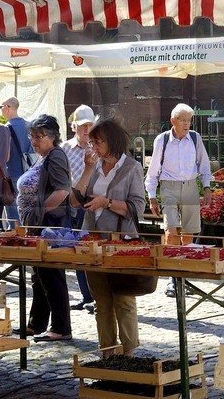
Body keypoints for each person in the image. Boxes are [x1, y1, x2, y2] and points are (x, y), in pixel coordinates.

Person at [73, 117, 149, 356]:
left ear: (112, 141)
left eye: (97, 142)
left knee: (123, 299)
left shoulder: (131, 167)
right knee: (101, 301)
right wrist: (86, 169)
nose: (93, 147)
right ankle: (107, 352)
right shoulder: (93, 165)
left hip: (122, 242)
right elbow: (76, 200)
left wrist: (106, 202)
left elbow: (138, 207)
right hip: (94, 241)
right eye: (92, 142)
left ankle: (129, 354)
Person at [17, 114, 74, 341]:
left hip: (50, 226)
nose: (34, 140)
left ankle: (61, 328)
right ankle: (37, 322)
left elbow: (62, 191)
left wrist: (40, 212)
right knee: (39, 276)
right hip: (38, 225)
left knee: (52, 276)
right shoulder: (43, 157)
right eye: (32, 136)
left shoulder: (56, 156)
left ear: (52, 137)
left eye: (39, 136)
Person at [145, 103, 213, 252]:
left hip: (191, 186)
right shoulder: (162, 140)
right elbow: (153, 171)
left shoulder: (195, 138)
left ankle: (184, 268)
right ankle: (172, 270)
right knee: (171, 231)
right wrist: (152, 197)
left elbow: (204, 165)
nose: (186, 124)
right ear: (173, 121)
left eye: (189, 120)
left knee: (189, 233)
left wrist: (207, 188)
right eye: (183, 120)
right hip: (169, 187)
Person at [62, 105, 97, 312]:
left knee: (92, 251)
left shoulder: (99, 148)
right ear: (74, 126)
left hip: (94, 205)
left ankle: (96, 295)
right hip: (72, 205)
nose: (87, 130)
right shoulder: (65, 149)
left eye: (90, 126)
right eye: (83, 126)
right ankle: (86, 296)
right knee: (77, 251)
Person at [2, 97, 33, 168]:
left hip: (12, 171)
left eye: (1, 107)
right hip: (28, 169)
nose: (1, 110)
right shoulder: (30, 125)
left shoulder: (5, 129)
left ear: (7, 108)